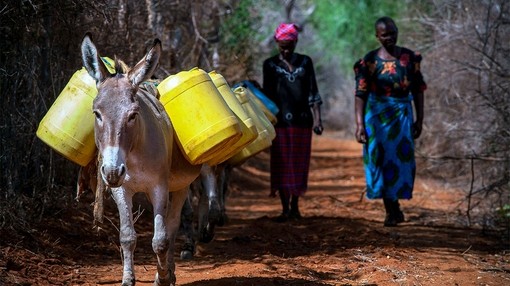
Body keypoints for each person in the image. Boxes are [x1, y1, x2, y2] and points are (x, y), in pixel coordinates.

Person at [353, 16, 426, 226]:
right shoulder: (369, 61)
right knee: (378, 159)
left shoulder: (409, 58)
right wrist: (359, 125)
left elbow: (418, 90)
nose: (390, 37)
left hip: (402, 116)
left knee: (400, 160)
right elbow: (360, 94)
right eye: (385, 34)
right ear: (377, 36)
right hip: (376, 117)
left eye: (393, 32)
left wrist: (419, 119)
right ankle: (391, 208)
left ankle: (395, 207)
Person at [263, 23, 323, 222]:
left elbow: (313, 92)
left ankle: (295, 206)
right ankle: (284, 208)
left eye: (289, 45)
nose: (286, 50)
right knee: (281, 163)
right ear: (277, 43)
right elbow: (268, 96)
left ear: (296, 42)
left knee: (298, 164)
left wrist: (318, 120)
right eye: (282, 45)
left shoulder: (305, 63)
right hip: (279, 123)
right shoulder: (270, 65)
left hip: (303, 121)